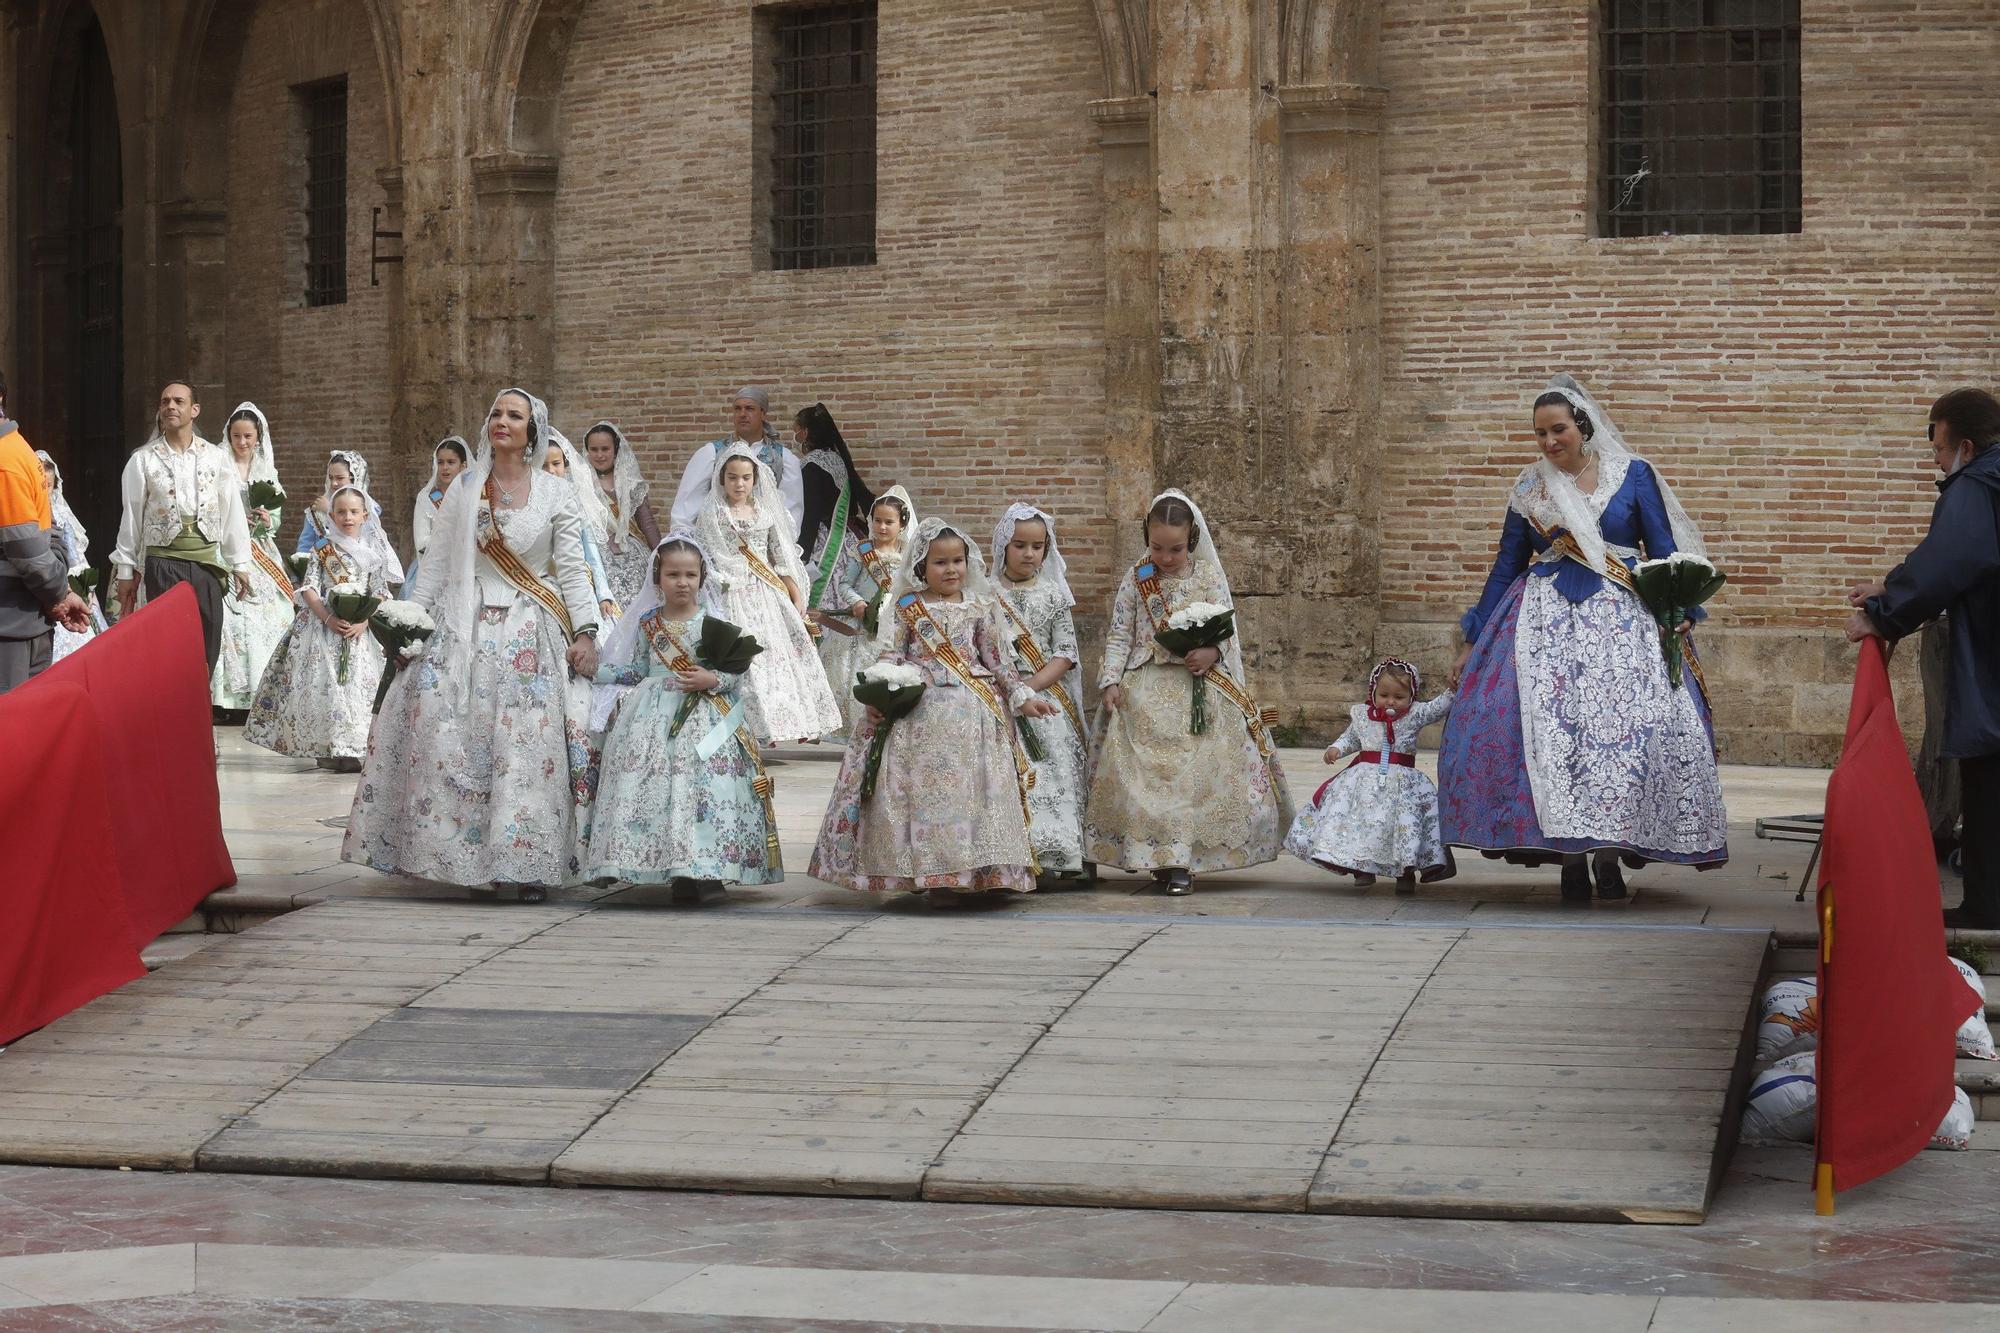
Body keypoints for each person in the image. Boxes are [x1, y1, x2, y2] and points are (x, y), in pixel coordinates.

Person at [1439, 375, 1727, 902]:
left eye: (1559, 430)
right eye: (1541, 434)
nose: (1550, 442)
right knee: (1557, 735)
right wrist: (1475, 639)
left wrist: (1679, 607)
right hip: (1542, 623)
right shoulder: (1530, 488)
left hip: (1625, 622)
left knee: (1624, 735)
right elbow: (1506, 566)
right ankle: (1571, 860)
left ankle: (1611, 857)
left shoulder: (1632, 475)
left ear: (1582, 427)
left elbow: (1662, 550)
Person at [342, 388, 603, 901]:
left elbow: (573, 568)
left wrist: (585, 631)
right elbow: (436, 565)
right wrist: (408, 625)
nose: (501, 421)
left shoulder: (555, 493)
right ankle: (467, 862)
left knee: (525, 752)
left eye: (514, 415)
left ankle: (525, 864)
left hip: (531, 632)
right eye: (495, 413)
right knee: (456, 741)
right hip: (463, 629)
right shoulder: (465, 488)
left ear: (533, 430)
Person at [808, 517, 1057, 900]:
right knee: (923, 795)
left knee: (976, 795)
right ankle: (932, 872)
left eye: (957, 561)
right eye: (940, 562)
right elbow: (893, 655)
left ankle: (980, 870)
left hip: (973, 713)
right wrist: (881, 694)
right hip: (920, 713)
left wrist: (1023, 696)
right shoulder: (909, 606)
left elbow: (996, 662)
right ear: (921, 565)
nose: (951, 569)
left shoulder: (980, 605)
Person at [1083, 489, 1294, 894]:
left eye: (1176, 549)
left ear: (1192, 540)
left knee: (1188, 778)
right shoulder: (1136, 577)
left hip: (1198, 690)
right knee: (1148, 780)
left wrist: (1211, 651)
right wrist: (1110, 681)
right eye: (1157, 547)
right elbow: (1119, 634)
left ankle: (1182, 861)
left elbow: (1227, 632)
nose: (1165, 557)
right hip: (1143, 690)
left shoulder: (1208, 576)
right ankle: (1153, 854)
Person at [1846, 388, 2000, 929]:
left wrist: (1883, 615)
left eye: (1937, 448)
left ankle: (1986, 905)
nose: (1936, 459)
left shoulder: (1977, 483)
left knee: (1988, 777)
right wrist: (1892, 584)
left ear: (1965, 444)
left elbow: (1955, 557)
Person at [586, 532, 783, 900]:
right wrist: (597, 671)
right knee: (654, 785)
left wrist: (712, 678)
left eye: (690, 575)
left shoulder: (714, 624)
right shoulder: (648, 623)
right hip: (650, 716)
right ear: (658, 578)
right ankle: (658, 863)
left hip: (706, 718)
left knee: (705, 787)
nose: (682, 582)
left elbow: (737, 676)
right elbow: (639, 670)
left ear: (702, 577)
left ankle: (705, 871)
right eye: (673, 574)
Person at [245, 485, 402, 771]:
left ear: (365, 515)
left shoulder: (373, 553)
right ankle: (327, 745)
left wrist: (364, 620)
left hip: (359, 632)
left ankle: (354, 748)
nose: (347, 517)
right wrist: (328, 618)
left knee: (355, 687)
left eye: (354, 512)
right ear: (331, 515)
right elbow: (310, 588)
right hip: (322, 628)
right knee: (325, 685)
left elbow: (380, 591)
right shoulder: (322, 548)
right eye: (341, 512)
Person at [696, 444, 843, 744]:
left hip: (766, 593)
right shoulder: (712, 512)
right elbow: (709, 555)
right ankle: (748, 727)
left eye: (746, 478)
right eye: (733, 477)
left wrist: (796, 594)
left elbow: (780, 555)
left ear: (755, 479)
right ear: (721, 479)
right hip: (731, 593)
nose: (739, 484)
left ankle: (778, 726)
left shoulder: (765, 512)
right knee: (747, 662)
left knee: (776, 661)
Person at [111, 380, 253, 672]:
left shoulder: (217, 457)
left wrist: (240, 563)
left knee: (207, 641)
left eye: (178, 401)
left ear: (195, 410)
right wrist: (126, 571)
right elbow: (131, 519)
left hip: (207, 565)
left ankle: (199, 711)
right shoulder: (143, 460)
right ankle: (168, 714)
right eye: (165, 402)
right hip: (163, 563)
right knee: (167, 646)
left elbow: (231, 512)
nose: (170, 407)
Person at [1285, 658, 1455, 893]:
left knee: (1402, 828)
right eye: (1384, 695)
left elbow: (1437, 708)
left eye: (1399, 696)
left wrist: (1453, 690)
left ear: (1411, 696)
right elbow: (1352, 737)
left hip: (1402, 786)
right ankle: (1361, 868)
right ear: (1373, 691)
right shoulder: (1363, 716)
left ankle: (1405, 873)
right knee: (1361, 824)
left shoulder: (1416, 714)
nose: (1390, 701)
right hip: (1363, 784)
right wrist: (1336, 749)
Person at [992, 503, 1091, 884]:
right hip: (1002, 694)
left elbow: (1066, 653)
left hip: (1046, 696)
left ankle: (1058, 855)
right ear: (1003, 545)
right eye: (1019, 545)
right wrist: (1010, 688)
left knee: (1052, 769)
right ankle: (1014, 853)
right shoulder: (987, 594)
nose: (1028, 554)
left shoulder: (1054, 595)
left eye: (1037, 547)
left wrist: (1028, 686)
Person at [1, 378, 90, 690]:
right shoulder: (19, 448)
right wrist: (58, 594)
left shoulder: (5, 459)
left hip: (11, 625)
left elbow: (28, 551)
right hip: (23, 617)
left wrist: (58, 594)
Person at [211, 404, 299, 712]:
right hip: (229, 549)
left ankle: (265, 694)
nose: (242, 442)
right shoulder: (220, 465)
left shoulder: (267, 471)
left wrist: (265, 519)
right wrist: (232, 520)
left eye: (248, 436)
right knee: (228, 620)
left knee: (275, 613)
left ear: (258, 437)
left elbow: (276, 520)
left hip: (261, 551)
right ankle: (226, 700)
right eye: (237, 436)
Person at [823, 486, 914, 732]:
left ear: (902, 524)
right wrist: (857, 602)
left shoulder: (908, 554)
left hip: (892, 627)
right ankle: (855, 728)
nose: (882, 527)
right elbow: (844, 584)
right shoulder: (863, 550)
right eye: (877, 521)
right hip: (862, 627)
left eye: (889, 522)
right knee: (852, 676)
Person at [670, 387, 804, 539]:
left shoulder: (784, 459)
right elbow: (686, 509)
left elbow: (791, 513)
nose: (742, 414)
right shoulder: (711, 453)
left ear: (763, 413)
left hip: (764, 550)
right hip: (718, 545)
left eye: (749, 408)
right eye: (737, 409)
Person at [796, 402, 876, 638]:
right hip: (849, 537)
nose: (796, 435)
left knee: (821, 605)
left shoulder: (812, 464)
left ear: (806, 432)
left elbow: (809, 514)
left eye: (797, 429)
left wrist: (802, 556)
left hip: (826, 543)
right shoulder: (837, 459)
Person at [34, 450, 108, 662]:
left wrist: (85, 585)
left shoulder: (61, 514)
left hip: (69, 579)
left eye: (49, 485)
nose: (46, 490)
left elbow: (75, 554)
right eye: (42, 485)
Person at [580, 421, 663, 609]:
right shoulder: (581, 482)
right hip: (597, 555)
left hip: (633, 553)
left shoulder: (630, 482)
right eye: (594, 449)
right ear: (587, 451)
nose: (599, 455)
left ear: (615, 449)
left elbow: (647, 522)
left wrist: (661, 554)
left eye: (605, 449)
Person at [543, 431, 621, 622]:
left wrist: (603, 594)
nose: (551, 471)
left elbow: (591, 552)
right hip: (542, 585)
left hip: (577, 582)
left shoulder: (575, 502)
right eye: (543, 466)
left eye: (556, 464)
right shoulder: (527, 502)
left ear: (566, 465)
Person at [295, 451, 382, 555]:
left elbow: (367, 539)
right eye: (331, 478)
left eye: (340, 478)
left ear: (354, 478)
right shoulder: (317, 511)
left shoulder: (369, 508)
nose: (334, 483)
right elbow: (304, 549)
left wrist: (330, 510)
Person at [408, 435, 469, 577]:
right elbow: (421, 542)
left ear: (463, 466)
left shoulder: (472, 496)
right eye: (440, 462)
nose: (445, 468)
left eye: (451, 462)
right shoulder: (428, 498)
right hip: (434, 570)